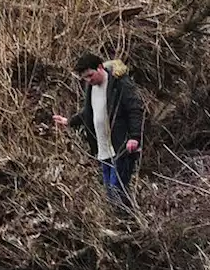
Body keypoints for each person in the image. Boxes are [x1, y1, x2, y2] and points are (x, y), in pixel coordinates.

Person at [51, 53, 144, 213]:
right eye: (85, 78)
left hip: (121, 146)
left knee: (117, 189)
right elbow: (89, 112)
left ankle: (129, 224)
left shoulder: (119, 84)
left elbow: (135, 109)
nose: (89, 80)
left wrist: (134, 137)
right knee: (110, 191)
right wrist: (69, 121)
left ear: (100, 67)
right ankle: (126, 224)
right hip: (104, 149)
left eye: (90, 75)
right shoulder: (91, 88)